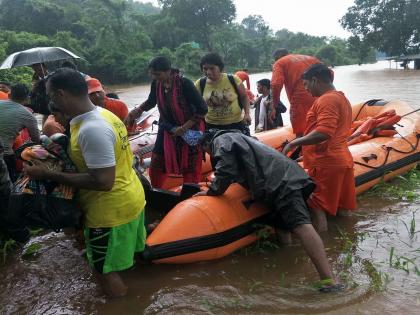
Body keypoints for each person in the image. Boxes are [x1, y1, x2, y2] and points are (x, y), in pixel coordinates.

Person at [24, 68, 146, 297]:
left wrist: (48, 175)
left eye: (50, 96)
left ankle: (122, 306)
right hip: (128, 196)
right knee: (122, 262)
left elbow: (103, 181)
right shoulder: (101, 114)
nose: (50, 102)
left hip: (109, 210)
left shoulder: (92, 129)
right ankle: (141, 295)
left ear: (61, 94)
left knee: (103, 270)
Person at [196, 129, 340, 291]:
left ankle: (330, 281)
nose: (209, 155)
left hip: (281, 182)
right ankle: (292, 264)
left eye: (206, 152)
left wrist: (213, 191)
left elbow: (225, 168)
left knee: (301, 225)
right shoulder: (239, 137)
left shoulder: (221, 140)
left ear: (205, 145)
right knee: (282, 227)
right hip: (280, 179)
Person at [282, 63, 356, 232]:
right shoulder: (342, 98)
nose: (306, 90)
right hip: (342, 159)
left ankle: (324, 246)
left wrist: (294, 143)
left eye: (306, 85)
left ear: (314, 80)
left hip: (326, 162)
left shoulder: (326, 99)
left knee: (315, 204)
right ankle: (349, 241)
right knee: (343, 208)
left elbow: (324, 132)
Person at [125, 56, 207, 188]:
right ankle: (156, 189)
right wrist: (137, 111)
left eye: (158, 74)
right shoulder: (157, 84)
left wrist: (184, 128)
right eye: (152, 74)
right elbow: (152, 101)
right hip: (167, 127)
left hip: (189, 128)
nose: (155, 77)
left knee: (189, 164)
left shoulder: (185, 83)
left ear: (168, 71)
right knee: (157, 160)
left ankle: (190, 192)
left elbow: (203, 108)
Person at [196, 53, 251, 135]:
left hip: (236, 124)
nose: (208, 72)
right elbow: (196, 105)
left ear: (220, 67)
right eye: (205, 69)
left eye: (212, 68)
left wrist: (247, 114)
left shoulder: (232, 79)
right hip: (212, 127)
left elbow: (244, 97)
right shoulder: (200, 84)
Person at [271, 49, 320, 136]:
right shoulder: (311, 58)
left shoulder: (279, 63)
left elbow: (276, 84)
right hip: (320, 97)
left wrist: (274, 104)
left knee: (301, 131)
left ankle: (302, 147)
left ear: (277, 58)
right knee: (319, 124)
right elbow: (330, 74)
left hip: (300, 100)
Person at [0, 90, 40, 181]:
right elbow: (36, 140)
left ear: (9, 95)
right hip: (4, 156)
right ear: (27, 99)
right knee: (7, 189)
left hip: (3, 153)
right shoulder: (28, 115)